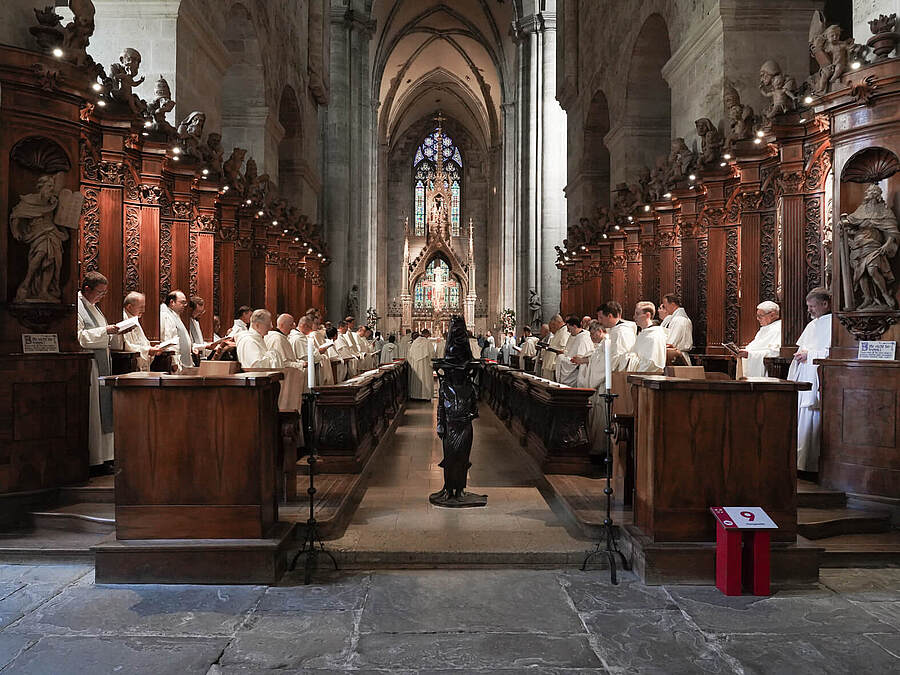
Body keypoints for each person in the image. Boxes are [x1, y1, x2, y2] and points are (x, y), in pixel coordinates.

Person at [78, 272, 130, 468]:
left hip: (102, 362)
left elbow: (102, 335)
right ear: (87, 289)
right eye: (99, 292)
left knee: (104, 410)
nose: (102, 296)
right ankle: (95, 459)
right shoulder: (78, 308)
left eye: (105, 292)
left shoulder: (94, 308)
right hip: (90, 365)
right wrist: (105, 331)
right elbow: (79, 337)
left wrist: (116, 332)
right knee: (96, 412)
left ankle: (105, 457)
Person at [788, 288, 832, 473]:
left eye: (813, 306)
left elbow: (833, 353)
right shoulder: (812, 324)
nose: (810, 310)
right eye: (808, 307)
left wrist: (810, 355)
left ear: (825, 304)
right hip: (805, 376)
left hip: (818, 382)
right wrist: (801, 356)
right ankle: (800, 463)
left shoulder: (833, 323)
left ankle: (811, 465)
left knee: (813, 420)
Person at [571, 321, 609, 455]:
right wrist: (584, 360)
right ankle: (595, 445)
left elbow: (603, 365)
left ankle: (601, 448)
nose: (591, 337)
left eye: (593, 334)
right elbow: (594, 358)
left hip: (602, 385)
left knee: (601, 418)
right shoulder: (600, 345)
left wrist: (585, 361)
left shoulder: (607, 343)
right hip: (596, 386)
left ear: (600, 331)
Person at [121, 291, 164, 371]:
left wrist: (152, 348)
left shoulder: (133, 318)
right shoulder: (123, 319)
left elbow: (143, 342)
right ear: (129, 307)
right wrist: (148, 350)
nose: (143, 310)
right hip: (128, 365)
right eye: (141, 307)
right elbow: (126, 346)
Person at [739, 301, 782, 377]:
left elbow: (776, 352)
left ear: (772, 315)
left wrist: (750, 354)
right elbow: (754, 346)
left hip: (770, 369)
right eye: (757, 316)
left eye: (760, 316)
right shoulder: (764, 329)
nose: (758, 319)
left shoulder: (779, 328)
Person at [624, 301, 667, 372]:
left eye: (637, 314)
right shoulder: (643, 333)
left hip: (649, 378)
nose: (634, 317)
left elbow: (651, 364)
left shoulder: (654, 335)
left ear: (647, 315)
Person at [597, 301, 637, 371]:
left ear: (609, 316)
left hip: (616, 375)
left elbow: (618, 358)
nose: (599, 321)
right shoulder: (613, 330)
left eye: (601, 317)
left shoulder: (622, 332)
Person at [159, 290, 193, 371]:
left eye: (185, 303)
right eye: (182, 302)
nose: (185, 305)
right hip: (175, 363)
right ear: (172, 302)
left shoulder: (175, 315)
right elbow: (168, 339)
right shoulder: (166, 316)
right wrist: (174, 362)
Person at [556, 315, 595, 385]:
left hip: (577, 373)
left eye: (569, 328)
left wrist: (561, 357)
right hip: (571, 370)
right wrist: (564, 354)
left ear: (574, 326)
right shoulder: (573, 336)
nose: (568, 331)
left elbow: (579, 359)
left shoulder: (583, 337)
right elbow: (569, 352)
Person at [661, 293, 693, 357]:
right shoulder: (671, 318)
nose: (665, 309)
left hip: (677, 356)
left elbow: (672, 342)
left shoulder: (679, 320)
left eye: (665, 306)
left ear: (672, 304)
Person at [408, 328, 435, 400]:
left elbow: (410, 354)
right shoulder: (427, 343)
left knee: (416, 379)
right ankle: (426, 396)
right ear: (426, 334)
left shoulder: (415, 342)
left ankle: (415, 395)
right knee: (425, 378)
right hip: (425, 365)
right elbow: (432, 354)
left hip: (416, 365)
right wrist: (432, 363)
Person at [541, 315, 569, 380]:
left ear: (557, 322)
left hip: (555, 364)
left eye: (553, 325)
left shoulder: (565, 332)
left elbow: (563, 349)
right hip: (550, 364)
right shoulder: (559, 331)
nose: (553, 327)